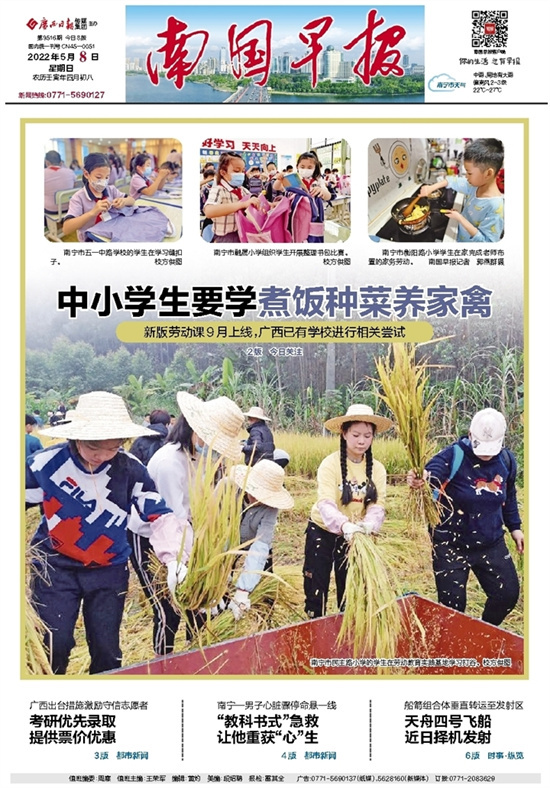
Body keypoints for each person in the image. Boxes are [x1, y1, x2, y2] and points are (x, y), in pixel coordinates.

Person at [26, 391, 192, 674]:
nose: (101, 457)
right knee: (54, 644)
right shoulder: (43, 465)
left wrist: (174, 557)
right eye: (93, 447)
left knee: (107, 650)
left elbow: (159, 513)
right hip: (55, 566)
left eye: (112, 447)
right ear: (76, 437)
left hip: (108, 569)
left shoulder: (130, 469)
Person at [127, 393, 244, 655]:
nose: (214, 448)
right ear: (192, 428)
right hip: (150, 535)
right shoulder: (169, 463)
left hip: (189, 534)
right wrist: (191, 565)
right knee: (168, 613)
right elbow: (172, 520)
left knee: (200, 605)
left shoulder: (206, 459)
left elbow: (203, 510)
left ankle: (197, 660)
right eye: (211, 438)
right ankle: (163, 665)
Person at [407, 408, 523, 627]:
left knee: (506, 595)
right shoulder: (453, 456)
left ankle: (483, 630)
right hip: (451, 544)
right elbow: (430, 475)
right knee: (452, 608)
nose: (486, 454)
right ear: (470, 435)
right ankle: (455, 647)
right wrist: (419, 479)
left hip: (491, 542)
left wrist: (515, 527)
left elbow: (509, 495)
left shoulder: (506, 461)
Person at [303, 404, 392, 619]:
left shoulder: (377, 469)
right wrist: (344, 525)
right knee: (316, 585)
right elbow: (325, 503)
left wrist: (369, 524)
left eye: (367, 436)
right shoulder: (330, 464)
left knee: (350, 587)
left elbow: (377, 504)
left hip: (356, 536)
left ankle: (346, 628)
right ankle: (314, 626)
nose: (361, 441)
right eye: (356, 435)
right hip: (323, 530)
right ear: (344, 434)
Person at [227, 459, 294, 619]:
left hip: (255, 544)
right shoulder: (228, 489)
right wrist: (221, 574)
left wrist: (243, 590)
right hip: (226, 544)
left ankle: (264, 622)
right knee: (218, 592)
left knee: (266, 589)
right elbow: (214, 530)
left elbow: (261, 546)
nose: (258, 499)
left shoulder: (271, 508)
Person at [420, 138, 504, 242]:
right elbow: (453, 181)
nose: (466, 177)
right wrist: (431, 188)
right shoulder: (475, 186)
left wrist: (460, 218)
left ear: (488, 173)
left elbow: (486, 243)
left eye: (469, 173)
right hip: (459, 236)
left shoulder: (496, 207)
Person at [63, 153, 135, 242]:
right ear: (86, 174)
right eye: (98, 177)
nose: (103, 182)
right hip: (90, 238)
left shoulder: (111, 189)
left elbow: (132, 200)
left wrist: (123, 201)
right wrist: (92, 213)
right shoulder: (78, 198)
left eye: (107, 177)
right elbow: (66, 229)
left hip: (110, 231)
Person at [203, 152, 261, 243]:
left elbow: (255, 199)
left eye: (242, 171)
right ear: (223, 172)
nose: (241, 174)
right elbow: (209, 211)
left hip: (242, 234)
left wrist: (272, 204)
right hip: (225, 238)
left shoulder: (242, 190)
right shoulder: (219, 190)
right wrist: (241, 204)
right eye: (237, 171)